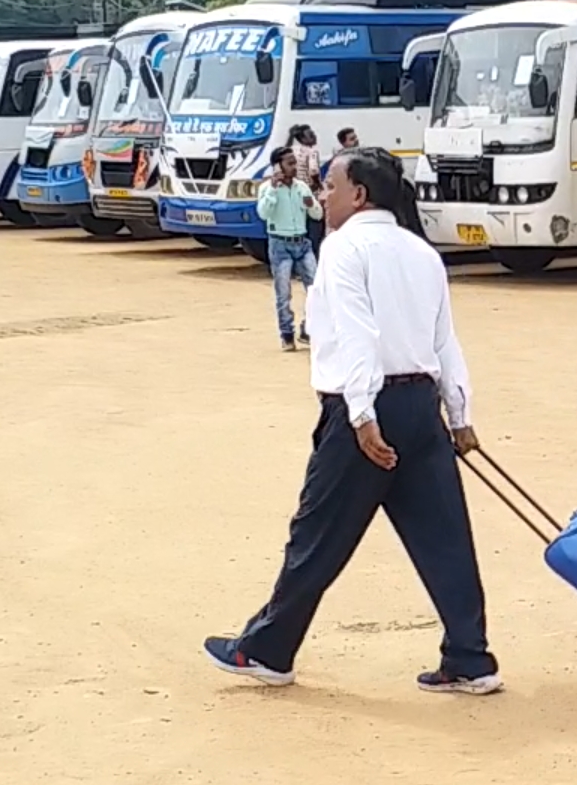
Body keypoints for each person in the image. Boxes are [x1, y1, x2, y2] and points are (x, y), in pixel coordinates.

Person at [204, 146, 501, 696]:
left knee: (316, 535)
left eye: (330, 186)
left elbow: (359, 336)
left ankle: (267, 650)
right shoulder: (420, 252)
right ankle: (470, 657)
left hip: (364, 409)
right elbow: (444, 342)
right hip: (421, 406)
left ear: (359, 194)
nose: (323, 195)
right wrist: (460, 415)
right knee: (444, 537)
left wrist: (362, 415)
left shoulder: (343, 249)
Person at [258, 145, 319, 352]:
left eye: (295, 163)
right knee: (283, 292)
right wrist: (273, 190)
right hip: (279, 244)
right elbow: (264, 214)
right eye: (289, 163)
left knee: (316, 289)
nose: (294, 167)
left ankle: (307, 328)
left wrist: (312, 204)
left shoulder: (301, 187)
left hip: (301, 242)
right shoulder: (266, 189)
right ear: (278, 166)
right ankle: (286, 333)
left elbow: (317, 215)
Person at [288, 125, 327, 253]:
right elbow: (314, 171)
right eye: (311, 134)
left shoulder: (291, 150)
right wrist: (319, 186)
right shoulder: (311, 152)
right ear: (303, 138)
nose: (314, 136)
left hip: (294, 194)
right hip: (309, 194)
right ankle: (313, 252)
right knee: (315, 222)